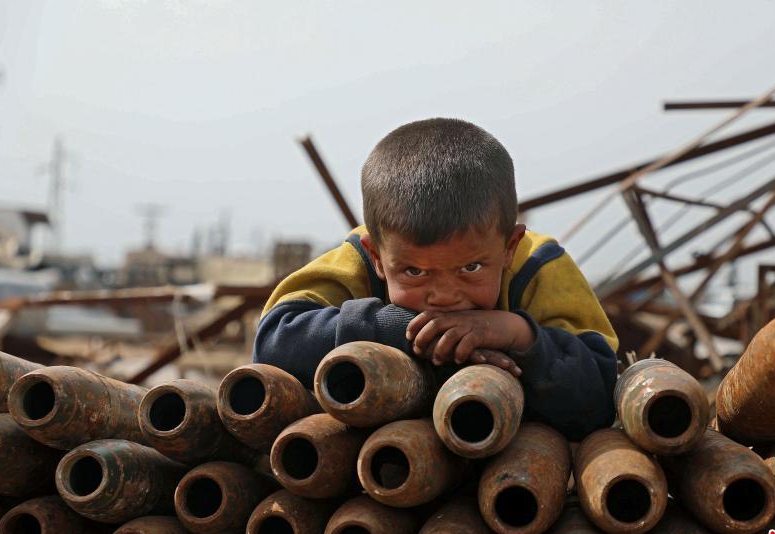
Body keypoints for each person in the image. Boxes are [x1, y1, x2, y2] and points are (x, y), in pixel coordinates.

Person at [254, 118, 618, 441]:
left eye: (471, 268)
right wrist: (401, 330)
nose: (444, 297)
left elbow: (598, 397)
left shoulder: (537, 265)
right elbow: (274, 342)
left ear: (509, 247)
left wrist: (518, 335)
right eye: (414, 272)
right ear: (378, 257)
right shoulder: (360, 259)